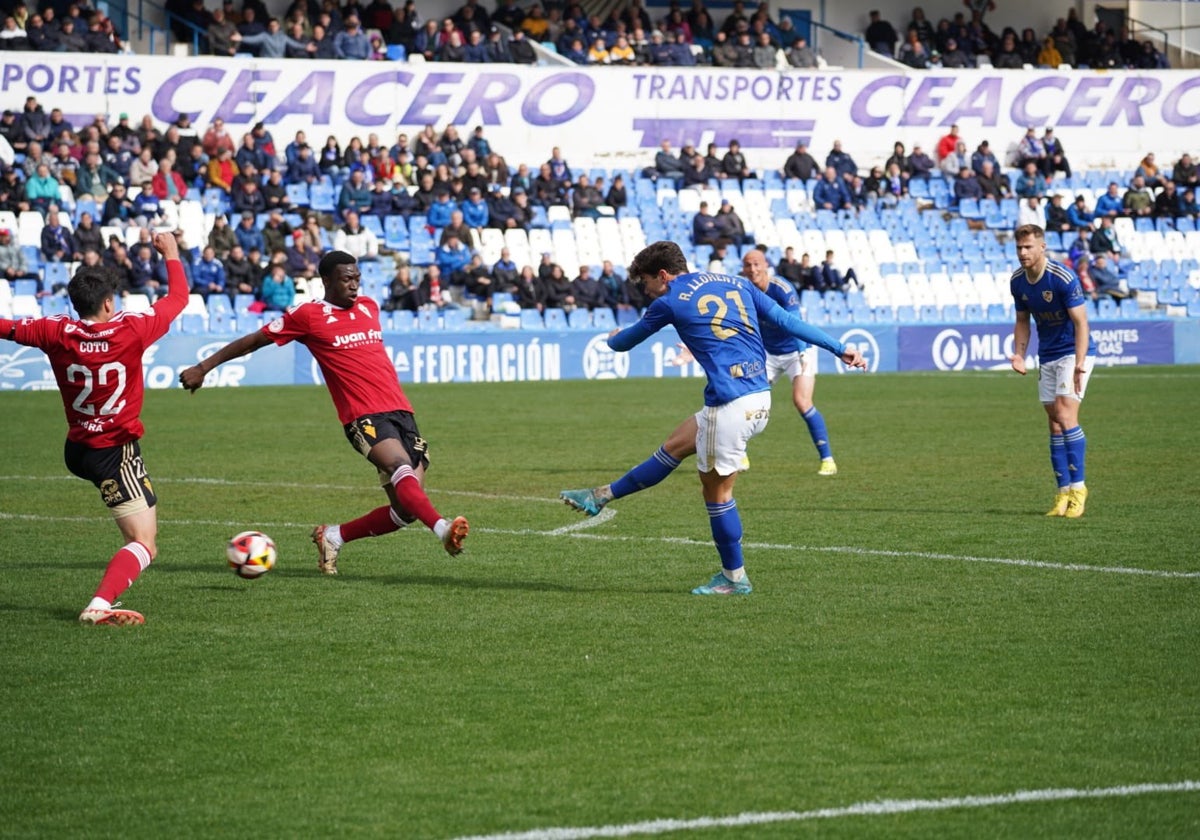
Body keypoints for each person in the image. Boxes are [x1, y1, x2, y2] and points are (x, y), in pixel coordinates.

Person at [558, 240, 865, 595]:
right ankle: (600, 496)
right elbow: (785, 320)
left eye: (644, 283)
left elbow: (626, 342)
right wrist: (840, 349)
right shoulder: (736, 283)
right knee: (674, 446)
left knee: (717, 495)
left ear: (662, 275)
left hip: (731, 406)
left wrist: (612, 338)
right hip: (758, 396)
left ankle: (734, 577)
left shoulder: (670, 300)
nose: (645, 292)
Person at [178, 251, 470, 571]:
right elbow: (253, 341)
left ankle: (334, 536)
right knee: (399, 466)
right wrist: (204, 367)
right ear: (327, 281)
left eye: (357, 278)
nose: (354, 285)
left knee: (405, 511)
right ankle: (442, 529)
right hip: (363, 415)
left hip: (401, 411)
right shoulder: (307, 315)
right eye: (347, 279)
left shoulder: (369, 307)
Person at [0, 232, 187, 625]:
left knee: (137, 533)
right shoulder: (132, 329)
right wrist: (170, 253)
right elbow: (177, 300)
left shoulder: (54, 332)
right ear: (107, 302)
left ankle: (104, 598)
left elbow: (7, 328)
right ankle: (100, 604)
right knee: (144, 543)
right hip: (113, 451)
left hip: (78, 447)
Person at [1008, 224, 1097, 519]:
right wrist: (1020, 355)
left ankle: (1079, 490)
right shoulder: (1018, 282)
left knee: (1065, 413)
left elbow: (1081, 322)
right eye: (1019, 248)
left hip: (1074, 351)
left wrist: (1081, 362)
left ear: (1042, 247)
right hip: (1046, 354)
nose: (1023, 253)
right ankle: (1062, 492)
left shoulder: (1062, 278)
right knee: (1053, 421)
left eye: (1028, 247)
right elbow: (1023, 320)